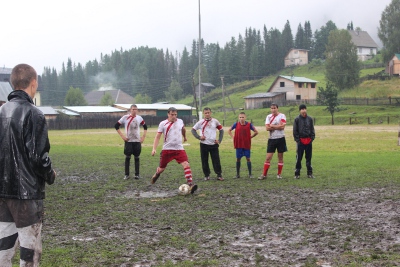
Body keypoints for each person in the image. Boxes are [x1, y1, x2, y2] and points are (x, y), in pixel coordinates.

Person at [0, 64, 56, 266]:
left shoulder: (0, 112)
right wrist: (50, 175)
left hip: (3, 192)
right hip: (26, 194)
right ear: (34, 83)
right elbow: (37, 156)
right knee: (29, 250)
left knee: (4, 248)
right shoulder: (34, 114)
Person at [151, 107, 198, 194]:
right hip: (167, 150)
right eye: (172, 115)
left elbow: (183, 129)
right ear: (168, 114)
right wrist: (154, 149)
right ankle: (157, 173)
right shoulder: (163, 124)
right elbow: (157, 137)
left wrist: (184, 136)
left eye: (175, 115)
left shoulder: (180, 121)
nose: (174, 116)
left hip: (179, 149)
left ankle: (191, 184)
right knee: (161, 169)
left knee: (186, 164)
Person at [191, 107, 224, 181]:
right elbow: (193, 130)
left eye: (208, 112)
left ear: (211, 113)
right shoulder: (200, 122)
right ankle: (206, 175)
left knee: (216, 160)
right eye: (206, 113)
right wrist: (199, 137)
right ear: (203, 114)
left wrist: (219, 140)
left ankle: (219, 174)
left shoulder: (215, 121)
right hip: (204, 144)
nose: (207, 114)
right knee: (204, 160)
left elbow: (221, 130)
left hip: (213, 144)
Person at [115, 104, 147, 180]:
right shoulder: (125, 117)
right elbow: (116, 126)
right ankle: (126, 175)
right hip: (128, 141)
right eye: (133, 109)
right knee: (127, 157)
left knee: (137, 157)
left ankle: (137, 174)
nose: (134, 111)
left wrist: (143, 137)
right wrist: (123, 136)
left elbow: (145, 127)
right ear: (130, 110)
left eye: (136, 109)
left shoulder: (139, 118)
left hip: (137, 141)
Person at [259, 103, 287, 180]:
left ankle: (279, 174)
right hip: (271, 139)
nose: (273, 110)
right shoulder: (268, 116)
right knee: (268, 157)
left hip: (281, 138)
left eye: (274, 108)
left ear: (277, 108)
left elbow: (282, 127)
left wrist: (273, 126)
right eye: (272, 108)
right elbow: (267, 128)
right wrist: (278, 126)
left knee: (280, 157)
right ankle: (264, 175)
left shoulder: (282, 116)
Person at [228, 112, 258, 178]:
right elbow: (229, 130)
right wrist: (233, 137)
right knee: (238, 159)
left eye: (243, 117)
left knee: (248, 158)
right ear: (238, 118)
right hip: (238, 144)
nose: (241, 119)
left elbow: (256, 132)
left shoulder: (249, 124)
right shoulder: (236, 124)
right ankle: (237, 174)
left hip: (246, 144)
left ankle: (250, 174)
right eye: (240, 117)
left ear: (245, 118)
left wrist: (251, 136)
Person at [293, 104, 315, 179]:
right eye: (302, 109)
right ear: (300, 110)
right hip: (300, 141)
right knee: (299, 158)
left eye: (304, 109)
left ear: (306, 109)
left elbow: (312, 129)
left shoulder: (310, 119)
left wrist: (312, 138)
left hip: (308, 140)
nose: (303, 110)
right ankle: (297, 173)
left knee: (309, 157)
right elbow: (295, 131)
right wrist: (298, 140)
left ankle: (309, 173)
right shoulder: (297, 119)